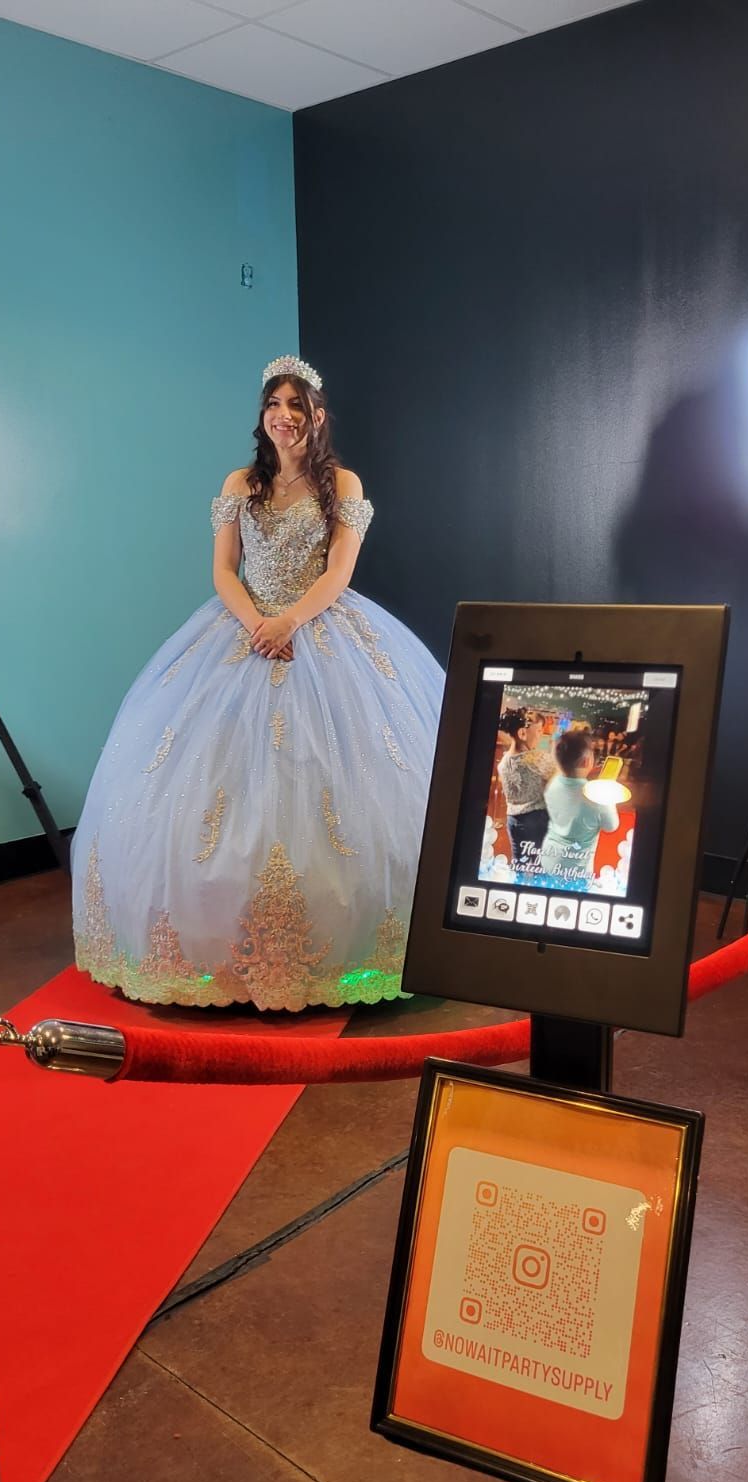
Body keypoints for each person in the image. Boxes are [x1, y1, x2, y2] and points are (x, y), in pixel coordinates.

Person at [72, 355, 445, 1010]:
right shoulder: (240, 482)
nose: (284, 416)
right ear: (263, 415)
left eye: (297, 406)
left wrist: (291, 622)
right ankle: (214, 954)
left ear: (317, 417)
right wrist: (257, 627)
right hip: (241, 629)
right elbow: (222, 569)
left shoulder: (345, 485)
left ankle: (355, 951)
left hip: (321, 626)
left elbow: (339, 573)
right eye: (274, 404)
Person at [540, 727, 621, 884]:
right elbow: (611, 826)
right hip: (575, 869)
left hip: (548, 857)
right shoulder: (597, 796)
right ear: (587, 761)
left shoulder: (553, 784)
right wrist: (608, 794)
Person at [496, 708, 553, 873]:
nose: (541, 735)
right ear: (522, 733)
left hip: (513, 820)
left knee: (519, 865)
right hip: (537, 820)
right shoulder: (539, 760)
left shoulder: (504, 762)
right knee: (540, 867)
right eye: (539, 730)